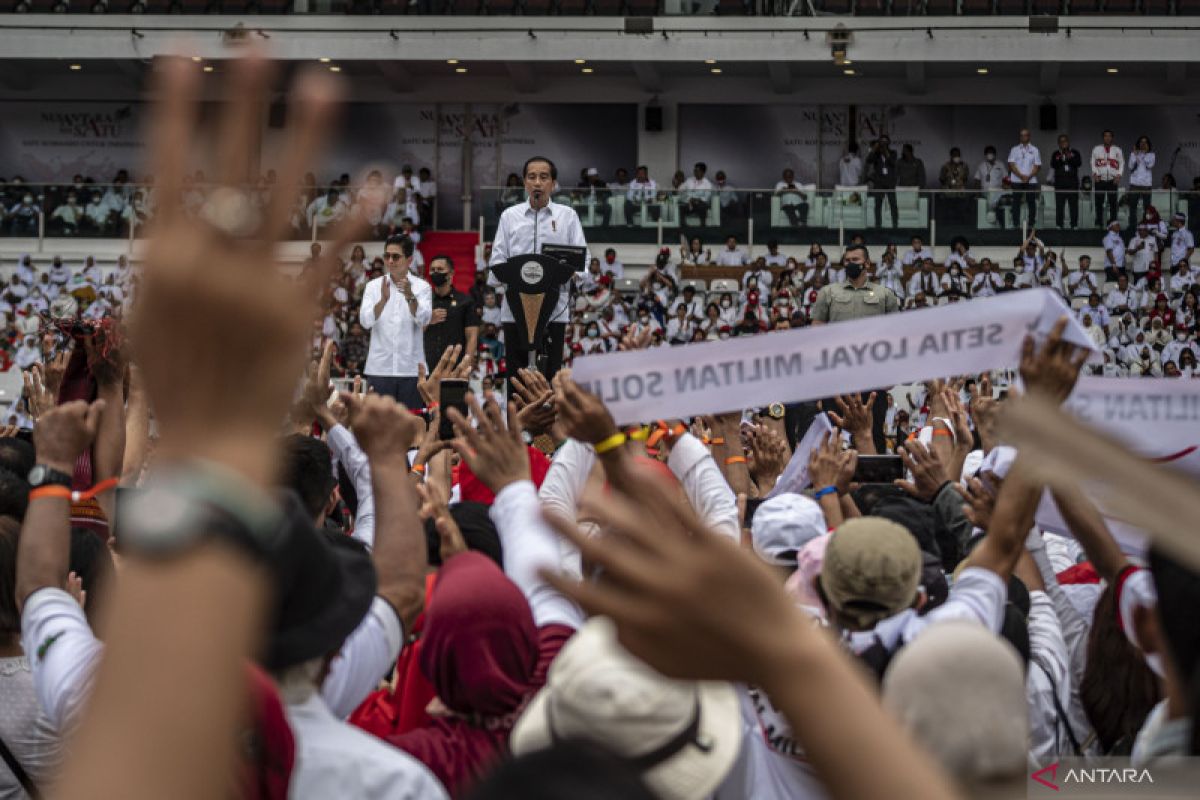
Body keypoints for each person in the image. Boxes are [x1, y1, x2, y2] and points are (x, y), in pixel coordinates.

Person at [488, 156, 590, 385]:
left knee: (549, 376)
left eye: (543, 177)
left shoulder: (567, 216)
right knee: (516, 379)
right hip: (515, 309)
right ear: (524, 182)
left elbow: (583, 260)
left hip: (554, 309)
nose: (537, 183)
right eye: (532, 177)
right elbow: (496, 261)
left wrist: (574, 274)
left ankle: (547, 421)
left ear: (553, 183)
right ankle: (515, 421)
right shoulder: (509, 217)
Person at [810, 244, 900, 452]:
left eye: (855, 260)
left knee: (874, 431)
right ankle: (832, 480)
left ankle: (874, 482)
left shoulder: (885, 294)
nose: (850, 264)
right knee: (833, 432)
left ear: (867, 264)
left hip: (872, 375)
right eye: (847, 260)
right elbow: (816, 335)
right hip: (836, 375)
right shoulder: (828, 292)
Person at [358, 235, 433, 409]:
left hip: (412, 371)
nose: (390, 261)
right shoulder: (373, 286)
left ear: (409, 260)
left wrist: (409, 296)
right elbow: (365, 322)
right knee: (378, 429)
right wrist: (382, 301)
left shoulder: (422, 287)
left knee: (412, 426)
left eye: (396, 256)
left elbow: (424, 319)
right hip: (379, 369)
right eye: (387, 256)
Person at [422, 255, 479, 372]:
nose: (435, 272)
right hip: (426, 366)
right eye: (432, 270)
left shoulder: (466, 301)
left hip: (454, 367)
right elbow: (413, 332)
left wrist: (465, 366)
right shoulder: (423, 301)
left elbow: (472, 336)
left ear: (451, 273)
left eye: (440, 269)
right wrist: (428, 318)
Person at [1006, 128, 1041, 229]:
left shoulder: (1035, 149)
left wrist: (1028, 176)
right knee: (1016, 201)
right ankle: (1016, 224)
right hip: (1017, 180)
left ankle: (1031, 224)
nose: (1023, 137)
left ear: (1029, 136)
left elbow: (1037, 165)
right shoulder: (1014, 149)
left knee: (1031, 201)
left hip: (1031, 180)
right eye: (1021, 135)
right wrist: (1021, 176)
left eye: (1025, 135)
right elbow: (1011, 164)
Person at [1091, 130, 1124, 227]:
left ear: (1112, 138)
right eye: (1105, 136)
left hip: (1112, 180)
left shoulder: (1117, 150)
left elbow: (1122, 163)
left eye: (1109, 136)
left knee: (1113, 203)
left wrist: (1118, 175)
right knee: (1099, 203)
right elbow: (1092, 162)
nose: (1107, 138)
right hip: (1100, 180)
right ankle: (1099, 222)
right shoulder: (1096, 149)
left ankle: (1113, 223)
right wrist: (1095, 174)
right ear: (1103, 137)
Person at [1050, 134, 1082, 229]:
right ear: (1058, 144)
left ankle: (1074, 225)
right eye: (1061, 142)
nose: (1063, 143)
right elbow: (1053, 164)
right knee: (1059, 206)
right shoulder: (1055, 153)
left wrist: (1069, 156)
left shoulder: (1075, 152)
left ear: (1068, 142)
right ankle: (1059, 224)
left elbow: (1078, 163)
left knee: (1073, 206)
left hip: (1072, 184)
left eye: (1065, 141)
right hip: (1060, 184)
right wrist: (1061, 157)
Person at [866, 136, 898, 228]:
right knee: (878, 205)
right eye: (881, 142)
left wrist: (885, 151)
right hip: (879, 182)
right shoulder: (876, 154)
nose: (883, 144)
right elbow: (868, 160)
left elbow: (892, 162)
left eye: (885, 142)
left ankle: (895, 225)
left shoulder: (893, 153)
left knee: (893, 204)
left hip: (890, 182)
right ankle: (878, 225)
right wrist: (874, 148)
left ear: (889, 143)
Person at [974, 145, 1007, 228]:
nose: (990, 154)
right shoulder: (981, 165)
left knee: (999, 206)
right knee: (986, 207)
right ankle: (988, 224)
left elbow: (1006, 178)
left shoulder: (1000, 164)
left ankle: (1000, 224)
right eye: (988, 153)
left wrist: (1006, 188)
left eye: (991, 153)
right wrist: (976, 194)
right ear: (985, 155)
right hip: (985, 193)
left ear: (995, 154)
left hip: (998, 193)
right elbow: (977, 180)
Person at [1126, 136, 1155, 225]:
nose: (1143, 144)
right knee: (1132, 207)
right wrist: (1135, 154)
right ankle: (1132, 226)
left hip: (1146, 185)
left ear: (1148, 145)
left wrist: (1145, 154)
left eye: (1145, 142)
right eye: (1141, 142)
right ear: (1138, 144)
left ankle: (1146, 225)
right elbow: (1130, 166)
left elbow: (1149, 165)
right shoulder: (1133, 154)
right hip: (1134, 184)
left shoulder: (1151, 155)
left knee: (1146, 207)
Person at [937, 147, 969, 225]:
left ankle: (961, 225)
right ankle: (947, 225)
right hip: (948, 193)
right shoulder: (945, 166)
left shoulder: (964, 166)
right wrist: (949, 184)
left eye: (958, 155)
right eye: (955, 155)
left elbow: (965, 179)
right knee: (947, 212)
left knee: (961, 211)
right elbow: (941, 179)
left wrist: (959, 184)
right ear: (951, 155)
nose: (957, 156)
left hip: (960, 193)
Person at [679, 162, 713, 227]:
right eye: (694, 170)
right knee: (680, 207)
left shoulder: (707, 184)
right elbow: (680, 189)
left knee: (702, 206)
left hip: (699, 203)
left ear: (703, 172)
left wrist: (697, 199)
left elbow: (706, 197)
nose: (695, 172)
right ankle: (683, 226)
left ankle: (703, 226)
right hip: (688, 202)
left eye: (697, 171)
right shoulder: (689, 180)